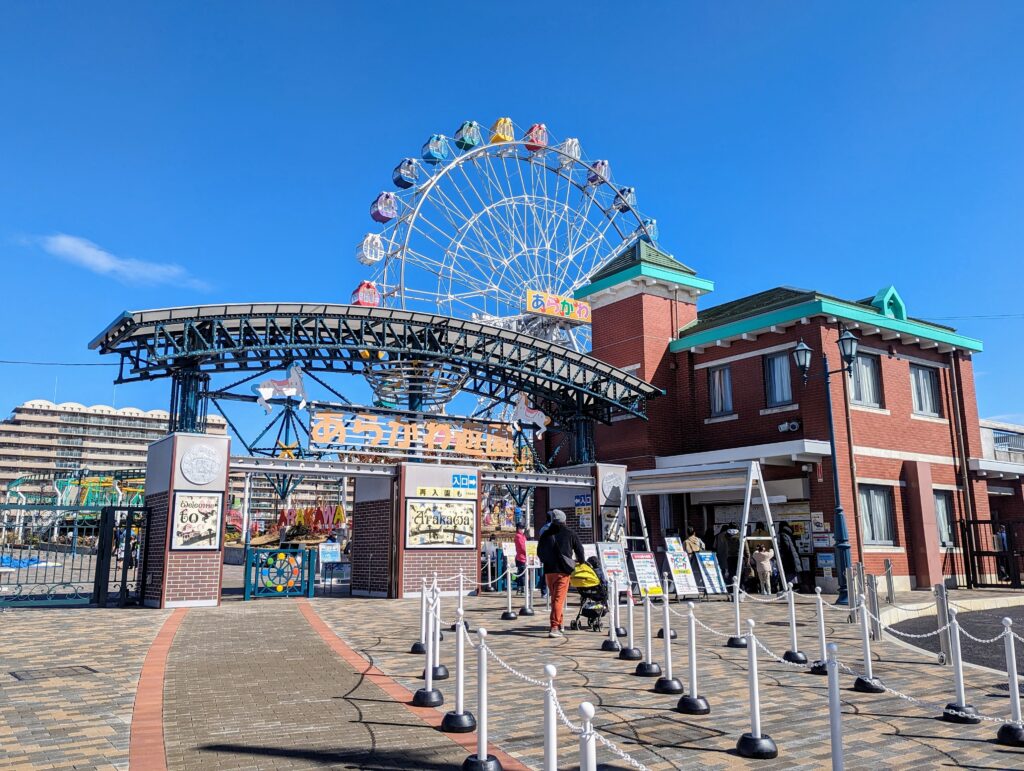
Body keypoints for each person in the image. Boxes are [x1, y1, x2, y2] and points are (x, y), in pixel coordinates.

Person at [537, 509, 584, 638]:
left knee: (555, 599)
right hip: (563, 571)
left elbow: (539, 552)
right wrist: (581, 561)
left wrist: (546, 560)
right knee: (559, 599)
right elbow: (580, 550)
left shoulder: (545, 534)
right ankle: (554, 627)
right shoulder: (570, 533)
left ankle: (560, 624)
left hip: (549, 571)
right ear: (564, 520)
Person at [777, 521, 803, 590]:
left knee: (788, 574)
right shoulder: (789, 533)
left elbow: (786, 547)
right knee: (793, 573)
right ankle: (794, 588)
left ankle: (789, 589)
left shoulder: (783, 534)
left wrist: (781, 553)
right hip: (793, 557)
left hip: (788, 558)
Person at [514, 522, 528, 593]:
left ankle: (521, 588)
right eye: (521, 528)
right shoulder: (518, 536)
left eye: (523, 528)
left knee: (522, 574)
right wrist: (528, 552)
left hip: (524, 557)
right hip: (521, 557)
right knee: (521, 574)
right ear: (518, 528)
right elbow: (522, 547)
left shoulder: (523, 536)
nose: (523, 529)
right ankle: (521, 588)